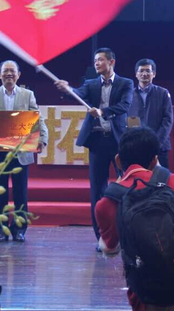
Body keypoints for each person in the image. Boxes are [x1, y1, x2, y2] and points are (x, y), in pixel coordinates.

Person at [95, 127, 174, 311]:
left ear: (118, 160)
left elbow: (110, 248)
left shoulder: (108, 202)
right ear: (155, 160)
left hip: (151, 293)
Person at [55, 48, 134, 247]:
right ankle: (102, 237)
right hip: (97, 142)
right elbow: (78, 93)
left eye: (100, 60)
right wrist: (68, 89)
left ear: (111, 62)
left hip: (118, 142)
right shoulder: (91, 84)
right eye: (95, 60)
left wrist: (102, 111)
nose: (97, 63)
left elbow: (124, 106)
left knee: (126, 184)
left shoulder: (125, 83)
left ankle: (127, 233)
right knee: (97, 189)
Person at [0, 60, 48, 243]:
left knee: (21, 193)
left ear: (18, 75)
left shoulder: (28, 95)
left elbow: (38, 119)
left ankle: (19, 230)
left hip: (21, 153)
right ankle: (0, 229)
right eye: (5, 71)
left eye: (12, 71)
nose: (9, 74)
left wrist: (43, 139)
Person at [128, 58, 174, 169]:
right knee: (139, 177)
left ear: (154, 74)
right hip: (137, 147)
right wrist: (136, 142)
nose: (144, 74)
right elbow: (130, 119)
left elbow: (167, 120)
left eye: (148, 71)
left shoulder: (163, 93)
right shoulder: (129, 95)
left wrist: (156, 142)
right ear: (136, 74)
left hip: (159, 147)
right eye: (141, 71)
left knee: (161, 178)